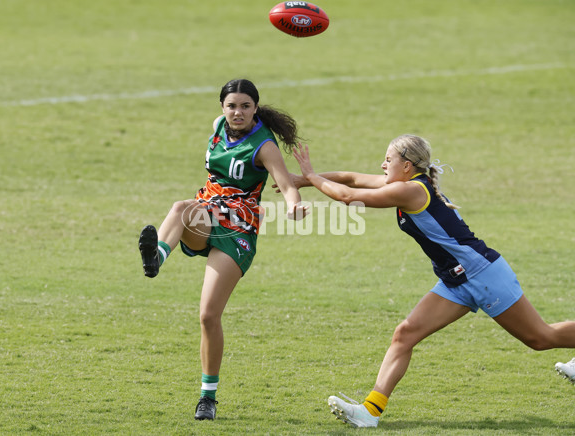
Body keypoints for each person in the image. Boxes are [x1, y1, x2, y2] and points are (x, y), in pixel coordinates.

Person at [290, 135, 575, 428]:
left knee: (541, 338)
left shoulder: (411, 191)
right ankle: (370, 413)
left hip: (483, 275)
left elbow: (349, 196)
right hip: (455, 282)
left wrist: (311, 176)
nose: (382, 164)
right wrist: (301, 180)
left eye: (388, 160)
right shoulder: (403, 185)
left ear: (407, 165)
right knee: (405, 334)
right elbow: (350, 178)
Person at [138, 79, 308, 421]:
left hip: (239, 229)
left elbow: (287, 185)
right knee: (181, 207)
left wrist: (294, 205)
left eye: (245, 106)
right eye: (232, 106)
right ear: (222, 108)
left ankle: (208, 398)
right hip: (207, 212)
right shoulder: (218, 128)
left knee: (208, 316)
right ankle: (156, 257)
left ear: (255, 108)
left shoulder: (264, 145)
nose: (238, 112)